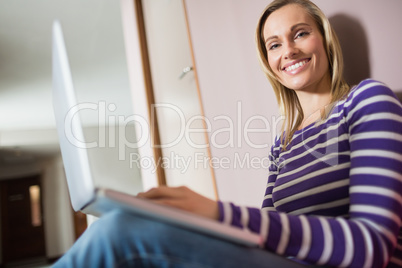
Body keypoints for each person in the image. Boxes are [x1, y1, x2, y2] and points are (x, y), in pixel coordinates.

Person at [53, 0, 402, 267]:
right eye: (274, 44)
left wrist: (219, 213)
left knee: (121, 233)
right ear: (269, 62)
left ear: (323, 40)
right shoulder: (284, 142)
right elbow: (265, 231)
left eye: (300, 33)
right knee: (112, 224)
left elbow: (373, 245)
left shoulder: (367, 100)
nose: (289, 50)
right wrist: (193, 222)